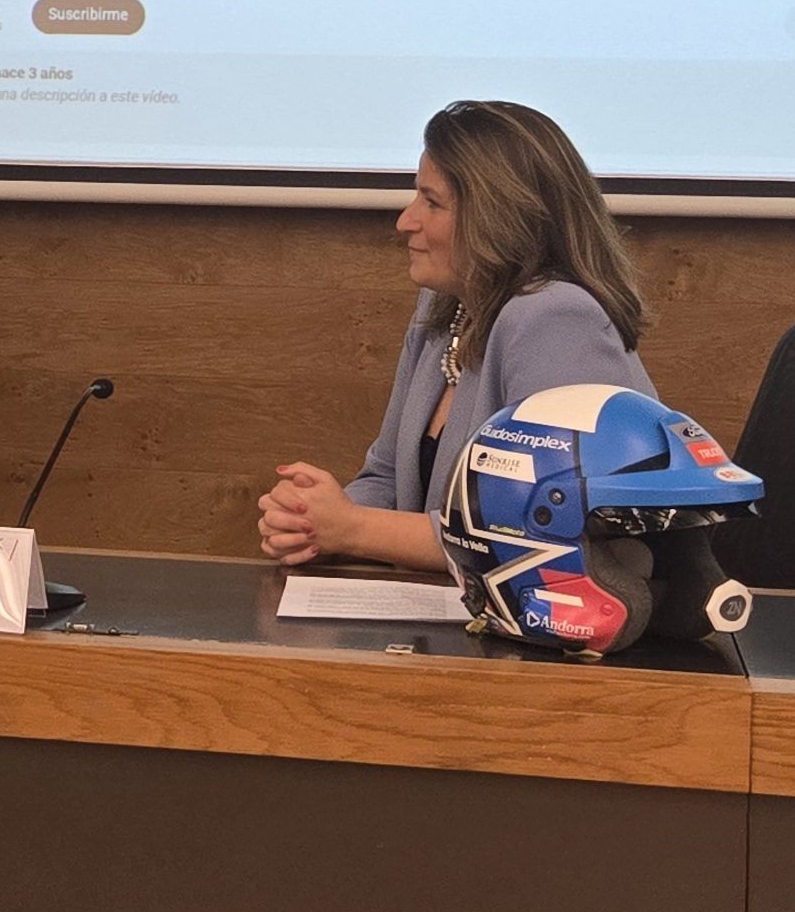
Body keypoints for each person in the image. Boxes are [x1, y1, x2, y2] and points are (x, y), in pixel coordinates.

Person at [257, 99, 656, 575]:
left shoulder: (556, 318)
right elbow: (387, 478)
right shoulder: (446, 307)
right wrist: (310, 521)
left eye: (432, 202)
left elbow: (538, 536)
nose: (405, 221)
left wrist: (352, 528)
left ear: (498, 217)